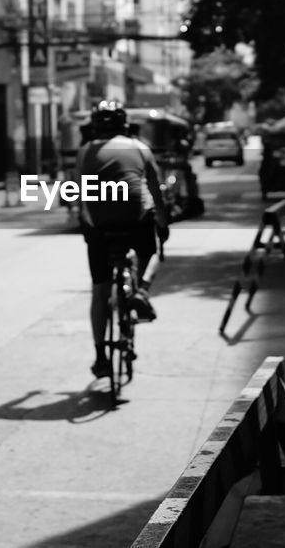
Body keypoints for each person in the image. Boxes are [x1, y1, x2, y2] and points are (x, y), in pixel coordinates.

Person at [77, 100, 170, 378]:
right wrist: (163, 225)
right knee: (151, 251)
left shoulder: (84, 151)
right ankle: (141, 291)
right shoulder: (141, 149)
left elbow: (81, 191)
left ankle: (100, 357)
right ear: (126, 125)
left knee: (100, 290)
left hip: (99, 224)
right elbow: (155, 191)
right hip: (135, 219)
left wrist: (88, 225)